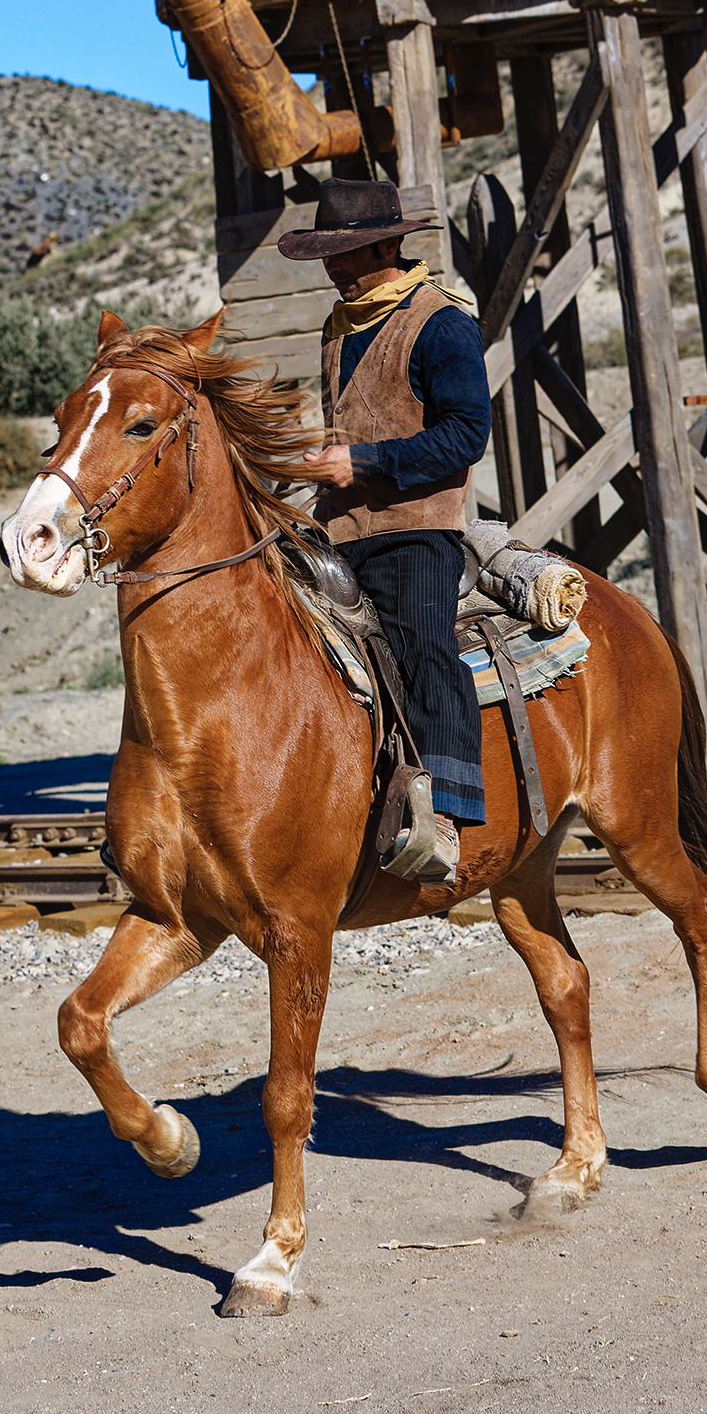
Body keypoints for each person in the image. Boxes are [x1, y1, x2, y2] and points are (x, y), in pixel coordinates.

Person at [278, 177, 493, 886]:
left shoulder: (442, 322)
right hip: (338, 529)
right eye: (327, 255)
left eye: (345, 254)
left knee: (422, 647)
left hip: (414, 528)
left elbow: (465, 436)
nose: (333, 267)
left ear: (386, 245)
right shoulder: (338, 326)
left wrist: (362, 461)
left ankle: (449, 817)